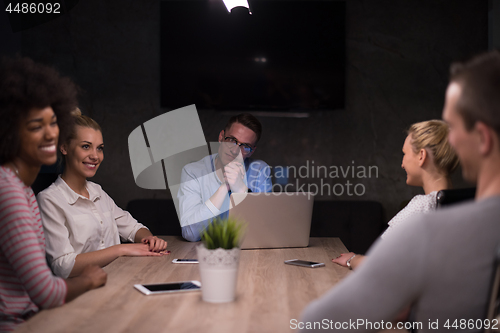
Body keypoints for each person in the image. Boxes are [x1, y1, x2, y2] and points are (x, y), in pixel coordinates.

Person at [299, 51, 500, 333]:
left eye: (453, 126)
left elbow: (316, 324)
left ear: (483, 138)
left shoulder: (428, 227)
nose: (450, 140)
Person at [0, 57, 107, 332]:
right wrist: (90, 279)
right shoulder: (9, 191)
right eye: (36, 126)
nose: (51, 134)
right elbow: (46, 292)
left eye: (53, 123)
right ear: (10, 131)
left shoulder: (21, 187)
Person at [37, 111, 168, 279]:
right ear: (64, 147)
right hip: (82, 294)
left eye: (100, 148)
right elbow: (63, 266)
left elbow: (134, 228)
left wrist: (150, 240)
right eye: (86, 146)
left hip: (118, 280)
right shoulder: (49, 199)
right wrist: (120, 249)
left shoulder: (97, 191)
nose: (95, 156)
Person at [333, 120, 459, 270]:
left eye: (404, 154)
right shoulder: (463, 203)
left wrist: (353, 259)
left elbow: (380, 262)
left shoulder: (422, 205)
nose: (402, 164)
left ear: (421, 156)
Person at [178, 113, 272, 241]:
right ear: (221, 137)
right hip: (205, 252)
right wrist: (224, 188)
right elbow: (190, 234)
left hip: (249, 253)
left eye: (245, 146)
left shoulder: (259, 171)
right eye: (232, 140)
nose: (235, 150)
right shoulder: (193, 172)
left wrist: (242, 192)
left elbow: (265, 230)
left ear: (252, 151)